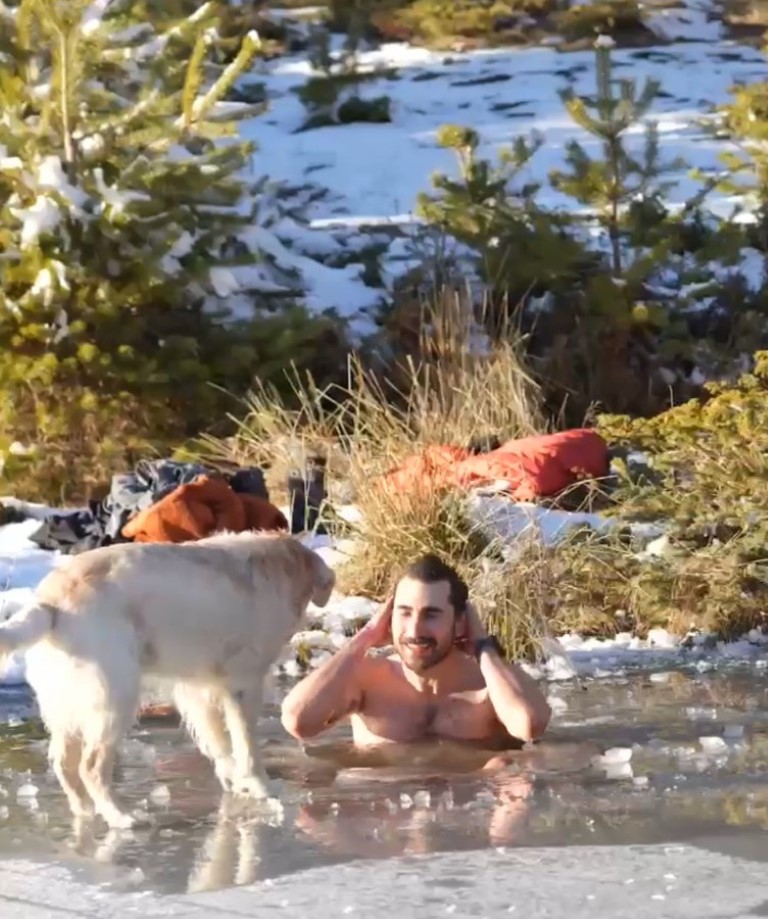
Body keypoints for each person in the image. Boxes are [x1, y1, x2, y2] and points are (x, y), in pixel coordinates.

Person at [281, 554, 552, 748]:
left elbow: (529, 727)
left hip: (467, 822)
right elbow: (298, 722)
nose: (414, 630)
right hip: (383, 822)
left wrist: (483, 647)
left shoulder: (491, 684)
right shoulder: (367, 682)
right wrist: (364, 638)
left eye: (431, 615)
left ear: (459, 622)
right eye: (404, 613)